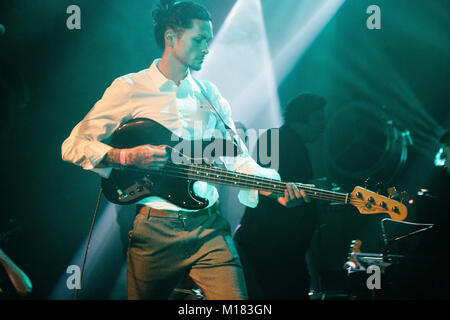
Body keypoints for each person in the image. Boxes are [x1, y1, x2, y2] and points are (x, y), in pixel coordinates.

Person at [61, 0, 307, 300]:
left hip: (209, 228)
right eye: (199, 39)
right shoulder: (129, 87)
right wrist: (127, 156)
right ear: (171, 38)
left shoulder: (211, 96)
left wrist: (274, 189)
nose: (207, 48)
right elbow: (73, 146)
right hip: (154, 231)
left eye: (209, 40)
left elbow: (239, 159)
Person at [234, 93, 326, 299]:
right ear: (302, 118)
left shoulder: (294, 143)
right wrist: (312, 187)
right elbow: (261, 183)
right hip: (268, 249)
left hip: (283, 250)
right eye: (319, 119)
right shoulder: (275, 138)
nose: (323, 125)